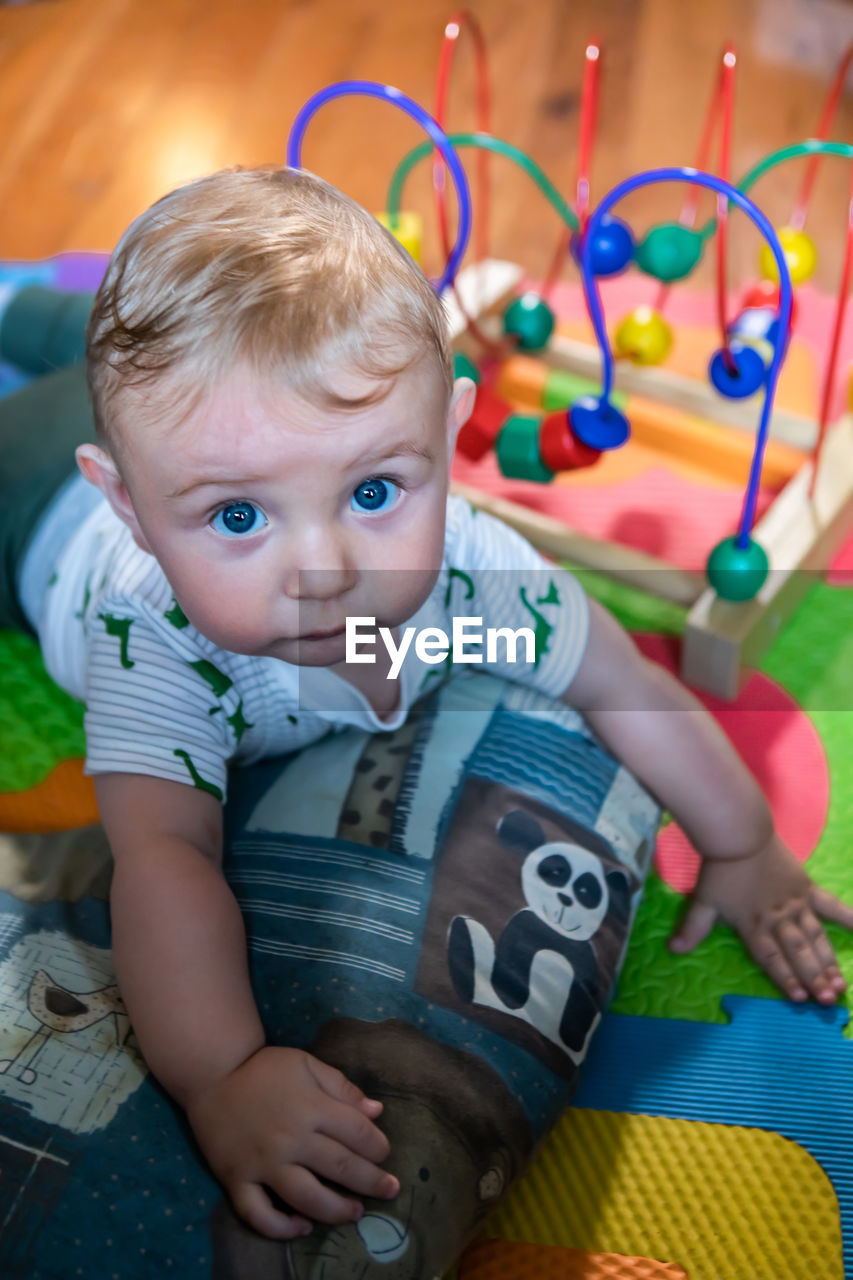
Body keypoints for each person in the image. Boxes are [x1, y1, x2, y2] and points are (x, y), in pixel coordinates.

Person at [0, 165, 850, 1242]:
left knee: (140, 357)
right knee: (56, 366)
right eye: (235, 516)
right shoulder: (153, 641)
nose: (323, 567)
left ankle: (53, 321)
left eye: (371, 490)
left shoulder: (476, 586)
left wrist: (743, 842)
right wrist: (225, 1073)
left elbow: (624, 684)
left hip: (169, 423)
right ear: (130, 503)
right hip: (30, 510)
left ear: (447, 435)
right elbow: (166, 857)